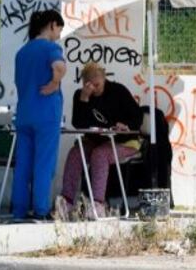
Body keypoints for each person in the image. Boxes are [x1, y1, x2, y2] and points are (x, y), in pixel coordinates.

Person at [54, 63, 143, 220]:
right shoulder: (81, 95)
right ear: (84, 84)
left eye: (98, 85)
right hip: (95, 140)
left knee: (99, 155)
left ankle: (97, 204)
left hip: (124, 141)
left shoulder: (118, 91)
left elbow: (138, 116)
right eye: (90, 86)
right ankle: (67, 202)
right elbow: (78, 124)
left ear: (104, 79)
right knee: (76, 153)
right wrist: (84, 99)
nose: (94, 89)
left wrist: (126, 125)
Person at [12, 9, 67, 221]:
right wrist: (55, 83)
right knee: (44, 163)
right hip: (46, 114)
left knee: (23, 163)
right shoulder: (51, 48)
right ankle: (41, 210)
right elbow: (60, 67)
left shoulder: (22, 52)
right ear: (52, 25)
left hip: (24, 113)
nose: (59, 35)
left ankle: (18, 210)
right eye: (59, 30)